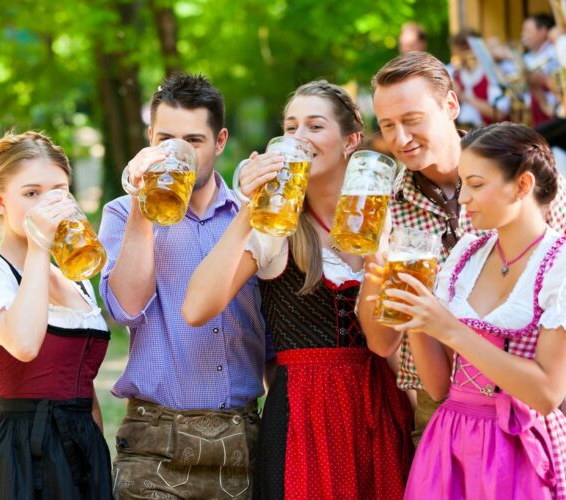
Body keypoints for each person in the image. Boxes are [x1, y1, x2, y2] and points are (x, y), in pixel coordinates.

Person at [183, 80, 414, 499]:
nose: (299, 138)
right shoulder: (276, 226)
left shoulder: (388, 218)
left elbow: (396, 342)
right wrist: (250, 209)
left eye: (314, 126)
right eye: (290, 128)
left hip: (379, 406)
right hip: (303, 415)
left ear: (351, 141)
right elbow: (197, 308)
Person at [359, 51, 566, 445]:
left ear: (450, 105)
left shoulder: (522, 179)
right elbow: (383, 342)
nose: (400, 138)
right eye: (387, 125)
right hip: (441, 405)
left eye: (412, 120)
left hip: (538, 398)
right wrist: (376, 260)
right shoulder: (381, 207)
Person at [99, 73, 270, 499]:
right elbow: (125, 307)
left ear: (220, 141)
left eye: (194, 140)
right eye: (166, 140)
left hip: (242, 442)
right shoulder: (122, 213)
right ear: (149, 139)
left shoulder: (255, 216)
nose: (180, 153)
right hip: (154, 443)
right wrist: (143, 205)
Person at [376, 123, 566, 498]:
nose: (463, 199)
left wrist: (448, 328)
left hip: (518, 448)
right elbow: (440, 386)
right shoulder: (467, 255)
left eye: (477, 185)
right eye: (464, 185)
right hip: (450, 442)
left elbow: (547, 393)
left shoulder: (558, 263)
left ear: (523, 186)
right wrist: (416, 316)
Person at [0, 131, 112, 499]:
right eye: (31, 193)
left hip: (82, 449)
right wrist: (39, 246)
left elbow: (84, 388)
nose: (48, 203)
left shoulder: (76, 276)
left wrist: (98, 456)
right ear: (0, 201)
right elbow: (26, 344)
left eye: (58, 191)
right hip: (17, 455)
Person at [448, 30, 510, 127]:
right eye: (458, 51)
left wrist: (463, 96)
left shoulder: (492, 73)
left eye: (465, 51)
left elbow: (500, 113)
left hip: (492, 136)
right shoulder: (455, 74)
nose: (462, 57)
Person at [522, 13, 560, 127]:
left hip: (555, 117)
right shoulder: (531, 56)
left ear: (543, 31)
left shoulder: (555, 52)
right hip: (541, 114)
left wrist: (540, 80)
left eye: (527, 31)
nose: (523, 35)